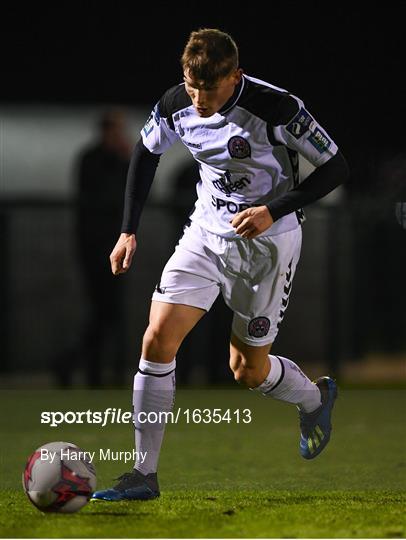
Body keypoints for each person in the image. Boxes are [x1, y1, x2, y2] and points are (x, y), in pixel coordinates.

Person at [92, 29, 349, 501]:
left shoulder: (278, 109)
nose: (199, 99)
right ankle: (143, 475)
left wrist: (275, 208)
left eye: (209, 89)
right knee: (157, 337)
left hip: (268, 245)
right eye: (192, 87)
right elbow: (146, 153)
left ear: (236, 76)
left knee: (246, 370)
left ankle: (315, 399)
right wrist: (128, 229)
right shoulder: (175, 103)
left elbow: (335, 167)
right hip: (206, 233)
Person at [72, 108, 132, 387]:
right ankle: (84, 368)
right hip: (95, 247)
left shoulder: (113, 160)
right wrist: (124, 161)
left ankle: (93, 369)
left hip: (113, 246)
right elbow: (108, 198)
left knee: (110, 311)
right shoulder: (92, 160)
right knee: (104, 311)